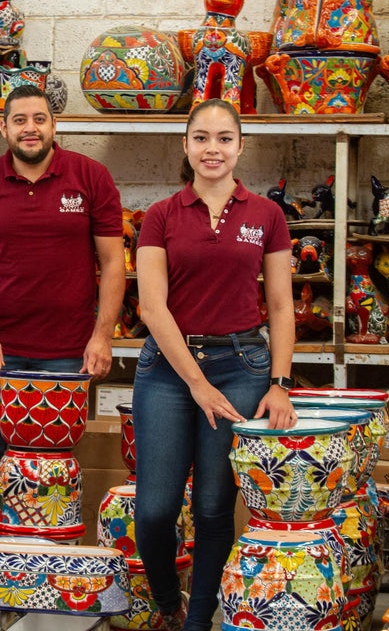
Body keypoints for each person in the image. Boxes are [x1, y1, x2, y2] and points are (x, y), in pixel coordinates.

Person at [132, 98, 296, 631]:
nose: (213, 149)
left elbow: (279, 306)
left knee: (211, 507)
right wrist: (197, 384)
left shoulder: (267, 216)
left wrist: (279, 384)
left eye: (224, 138)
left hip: (241, 366)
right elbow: (151, 308)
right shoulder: (160, 216)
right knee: (155, 509)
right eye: (201, 138)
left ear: (240, 146)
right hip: (168, 372)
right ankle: (166, 602)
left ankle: (198, 620)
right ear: (185, 145)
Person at [0, 84, 126, 538]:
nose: (31, 128)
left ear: (54, 125)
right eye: (20, 120)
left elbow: (112, 263)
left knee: (59, 452)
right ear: (3, 128)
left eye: (40, 119)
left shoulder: (91, 177)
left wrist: (102, 336)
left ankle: (53, 546)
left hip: (68, 352)